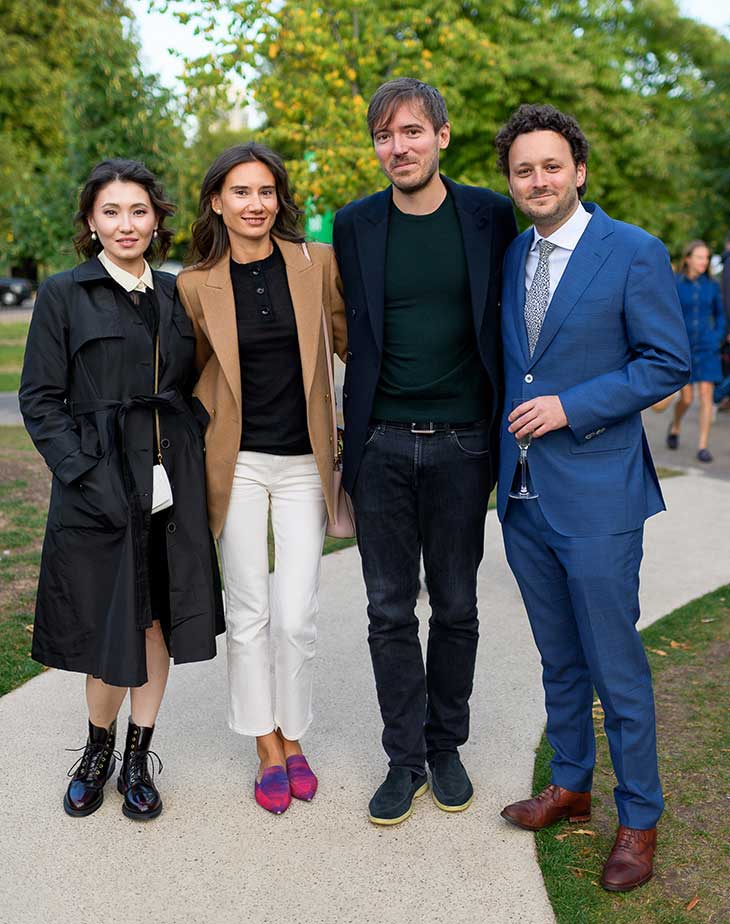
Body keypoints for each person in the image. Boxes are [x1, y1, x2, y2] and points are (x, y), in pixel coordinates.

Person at [493, 104, 690, 891]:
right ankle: (571, 785)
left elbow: (665, 361)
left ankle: (639, 817)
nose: (537, 180)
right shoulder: (512, 257)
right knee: (558, 657)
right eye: (522, 170)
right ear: (511, 182)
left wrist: (573, 406)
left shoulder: (633, 252)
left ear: (578, 171)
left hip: (601, 495)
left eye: (550, 166)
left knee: (615, 663)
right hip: (525, 497)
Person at [333, 78, 517, 826]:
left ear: (442, 136)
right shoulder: (355, 224)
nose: (397, 148)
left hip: (465, 441)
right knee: (385, 609)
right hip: (379, 442)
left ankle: (447, 746)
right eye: (384, 136)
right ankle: (402, 758)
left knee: (458, 604)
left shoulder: (489, 215)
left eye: (411, 132)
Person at [19, 159, 224, 821]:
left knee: (158, 619)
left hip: (170, 487)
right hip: (98, 488)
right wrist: (85, 477)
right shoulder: (63, 295)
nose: (126, 224)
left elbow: (200, 379)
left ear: (156, 219)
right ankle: (96, 751)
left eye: (138, 211)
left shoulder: (174, 296)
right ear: (90, 222)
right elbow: (40, 401)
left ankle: (140, 754)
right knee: (111, 625)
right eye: (111, 212)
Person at [176, 143, 346, 815]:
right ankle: (266, 741)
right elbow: (185, 379)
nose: (255, 204)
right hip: (238, 465)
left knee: (297, 614)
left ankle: (295, 731)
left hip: (306, 463)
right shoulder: (194, 285)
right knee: (248, 614)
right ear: (217, 200)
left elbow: (350, 342)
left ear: (281, 199)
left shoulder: (318, 264)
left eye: (266, 191)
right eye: (241, 192)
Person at [666, 240, 726, 460]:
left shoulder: (712, 285)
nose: (705, 261)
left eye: (707, 258)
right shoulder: (675, 283)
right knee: (687, 399)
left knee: (706, 396)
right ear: (688, 258)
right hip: (683, 347)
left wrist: (717, 336)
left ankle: (702, 446)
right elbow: (667, 313)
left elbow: (720, 315)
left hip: (707, 347)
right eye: (700, 257)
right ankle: (676, 425)